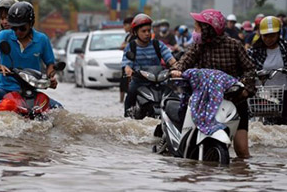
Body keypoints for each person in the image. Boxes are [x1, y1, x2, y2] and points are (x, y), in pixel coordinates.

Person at [170, 9, 256, 159]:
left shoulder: (234, 45)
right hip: (205, 98)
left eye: (197, 28)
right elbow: (185, 61)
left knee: (242, 152)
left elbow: (250, 70)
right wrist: (177, 70)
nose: (194, 32)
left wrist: (246, 89)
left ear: (208, 29)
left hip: (234, 99)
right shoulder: (199, 46)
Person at [0, 1, 60, 110]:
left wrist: (50, 77)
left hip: (31, 90)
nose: (18, 32)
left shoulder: (42, 39)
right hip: (4, 89)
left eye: (22, 28)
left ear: (31, 23)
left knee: (58, 109)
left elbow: (50, 64)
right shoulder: (4, 35)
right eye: (14, 28)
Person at [122, 14, 177, 117]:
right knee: (130, 95)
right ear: (135, 32)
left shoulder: (157, 44)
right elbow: (127, 64)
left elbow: (171, 59)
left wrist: (177, 67)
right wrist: (128, 70)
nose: (147, 34)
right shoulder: (131, 46)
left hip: (158, 81)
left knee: (174, 98)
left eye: (149, 30)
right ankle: (127, 117)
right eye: (143, 31)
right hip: (139, 82)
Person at [248, 16, 287, 124]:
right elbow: (247, 69)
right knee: (264, 124)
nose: (269, 39)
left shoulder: (285, 48)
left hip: (284, 92)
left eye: (272, 35)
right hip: (263, 94)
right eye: (265, 36)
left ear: (278, 34)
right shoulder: (254, 51)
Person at [119, 16, 135, 103]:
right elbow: (123, 45)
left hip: (133, 63)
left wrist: (125, 45)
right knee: (122, 82)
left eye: (125, 25)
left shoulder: (136, 36)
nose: (124, 27)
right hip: (125, 62)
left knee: (130, 82)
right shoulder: (128, 36)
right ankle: (121, 101)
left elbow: (126, 46)